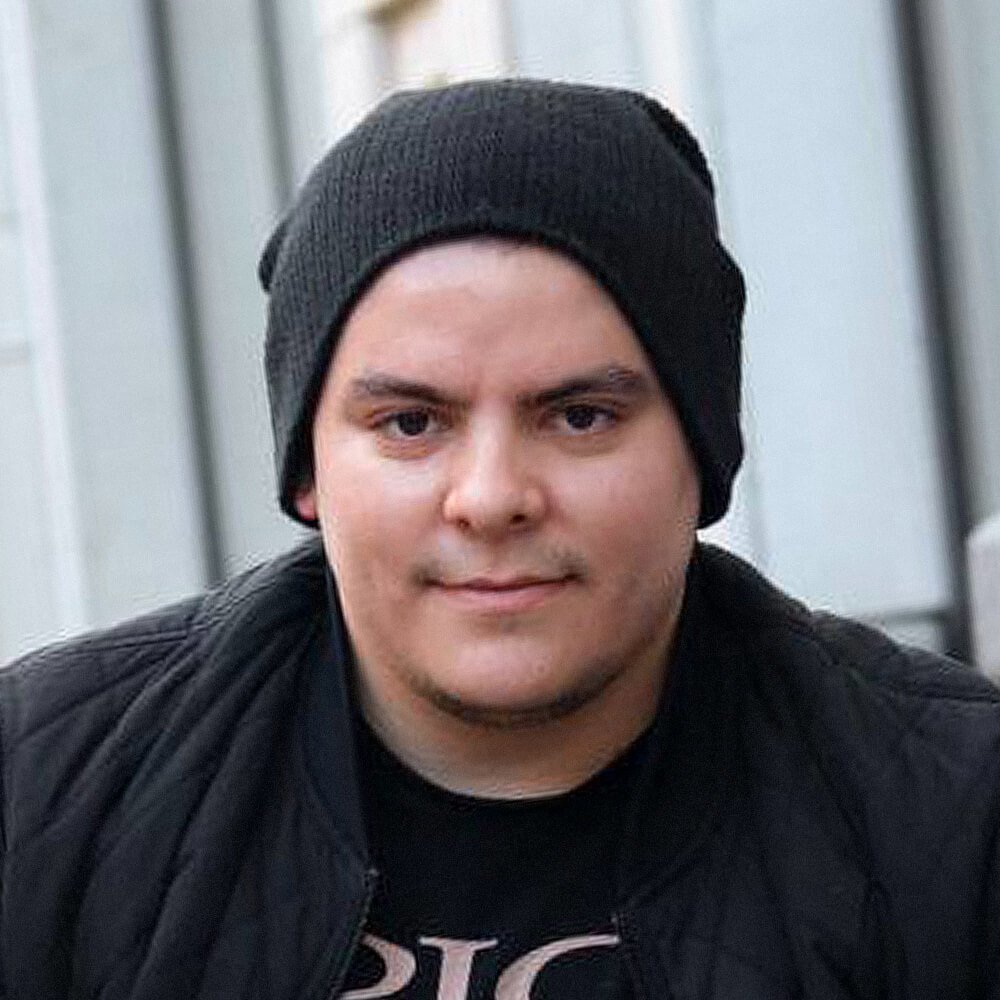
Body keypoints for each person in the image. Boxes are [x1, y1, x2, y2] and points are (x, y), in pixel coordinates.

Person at [1, 78, 997, 1000]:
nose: (489, 498)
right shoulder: (40, 796)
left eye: (579, 416)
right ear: (307, 469)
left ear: (701, 448)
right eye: (410, 423)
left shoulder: (954, 819)